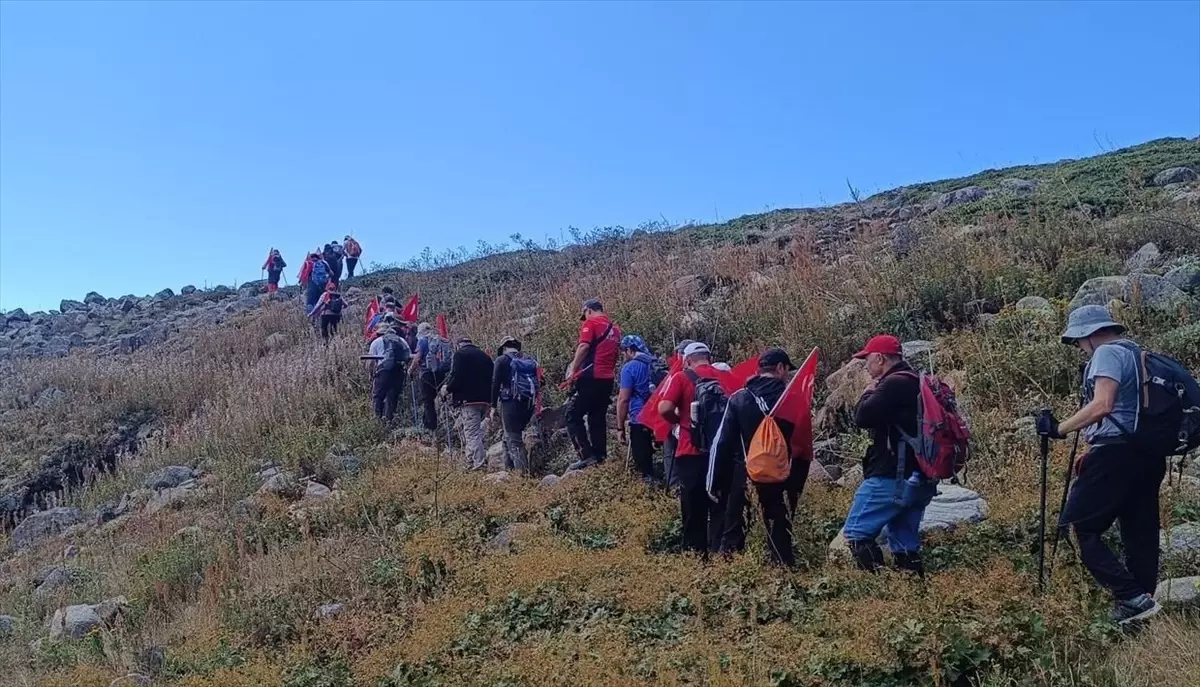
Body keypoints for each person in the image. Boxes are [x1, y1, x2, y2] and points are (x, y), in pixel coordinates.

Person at [1038, 305, 1165, 624]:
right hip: (1147, 453)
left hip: (1116, 454)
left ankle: (1130, 597)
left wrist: (1059, 429)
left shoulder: (1107, 353)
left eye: (1078, 342)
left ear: (1091, 334)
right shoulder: (1137, 353)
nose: (1079, 349)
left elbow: (1103, 404)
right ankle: (1142, 606)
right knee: (1140, 532)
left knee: (1081, 525)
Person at [842, 334, 935, 576]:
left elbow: (862, 417)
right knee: (904, 541)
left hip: (892, 477)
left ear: (880, 359)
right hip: (920, 477)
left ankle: (880, 589)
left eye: (867, 360)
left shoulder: (893, 384)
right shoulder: (917, 380)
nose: (866, 365)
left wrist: (867, 392)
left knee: (856, 533)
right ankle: (913, 591)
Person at [708, 348, 808, 566]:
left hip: (745, 475)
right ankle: (783, 579)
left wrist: (714, 483)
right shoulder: (794, 400)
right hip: (781, 476)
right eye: (787, 370)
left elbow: (721, 443)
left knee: (733, 533)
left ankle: (726, 579)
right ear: (780, 368)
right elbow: (803, 446)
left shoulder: (740, 398)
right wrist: (796, 487)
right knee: (779, 534)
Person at [657, 342, 724, 555]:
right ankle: (719, 552)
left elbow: (664, 407)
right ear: (709, 358)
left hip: (689, 449)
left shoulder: (681, 377)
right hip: (719, 452)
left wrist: (679, 422)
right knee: (719, 505)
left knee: (692, 508)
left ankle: (695, 554)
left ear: (686, 360)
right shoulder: (723, 375)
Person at [565, 299, 621, 470]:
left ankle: (586, 455)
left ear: (588, 310)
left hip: (590, 377)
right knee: (597, 417)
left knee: (572, 414)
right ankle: (600, 456)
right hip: (607, 379)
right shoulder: (615, 330)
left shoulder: (591, 323)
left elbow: (583, 347)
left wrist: (573, 371)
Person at [442, 336, 494, 470]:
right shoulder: (485, 356)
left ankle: (479, 463)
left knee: (472, 433)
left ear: (458, 345)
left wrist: (447, 389)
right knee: (473, 431)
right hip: (485, 400)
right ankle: (469, 461)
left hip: (468, 400)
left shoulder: (460, 355)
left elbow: (456, 376)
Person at [491, 336, 539, 474]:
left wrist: (493, 406)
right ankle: (509, 472)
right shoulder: (528, 359)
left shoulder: (502, 360)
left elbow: (495, 383)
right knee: (507, 437)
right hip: (528, 403)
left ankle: (522, 477)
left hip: (510, 403)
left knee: (514, 439)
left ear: (504, 348)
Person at [616, 335, 658, 484]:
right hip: (660, 417)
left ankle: (649, 495)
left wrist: (620, 427)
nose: (622, 354)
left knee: (644, 465)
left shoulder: (629, 368)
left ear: (630, 350)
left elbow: (623, 399)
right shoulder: (654, 364)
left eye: (623, 351)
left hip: (639, 418)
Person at [662, 339, 696, 491]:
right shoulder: (678, 373)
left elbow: (664, 404)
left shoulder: (678, 374)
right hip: (684, 421)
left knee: (672, 453)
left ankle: (675, 486)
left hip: (678, 421)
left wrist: (676, 419)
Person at [410, 322, 454, 431]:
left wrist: (410, 370)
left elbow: (418, 358)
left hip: (426, 375)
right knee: (441, 398)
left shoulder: (423, 341)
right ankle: (448, 426)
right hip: (440, 373)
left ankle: (431, 428)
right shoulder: (439, 339)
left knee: (428, 401)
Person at [367, 316, 412, 423]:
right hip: (399, 371)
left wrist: (371, 374)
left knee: (378, 396)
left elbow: (370, 362)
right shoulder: (401, 340)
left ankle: (377, 421)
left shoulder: (377, 341)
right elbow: (408, 356)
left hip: (383, 372)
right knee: (392, 397)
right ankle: (389, 421)